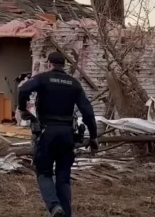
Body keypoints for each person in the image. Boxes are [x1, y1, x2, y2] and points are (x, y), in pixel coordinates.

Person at [17, 51, 98, 217]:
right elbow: (88, 112)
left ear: (49, 64)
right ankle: (66, 213)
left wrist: (23, 108)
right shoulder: (74, 83)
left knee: (44, 173)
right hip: (68, 134)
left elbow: (23, 89)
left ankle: (54, 207)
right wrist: (94, 136)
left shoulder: (43, 78)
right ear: (63, 65)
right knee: (63, 177)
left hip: (47, 133)